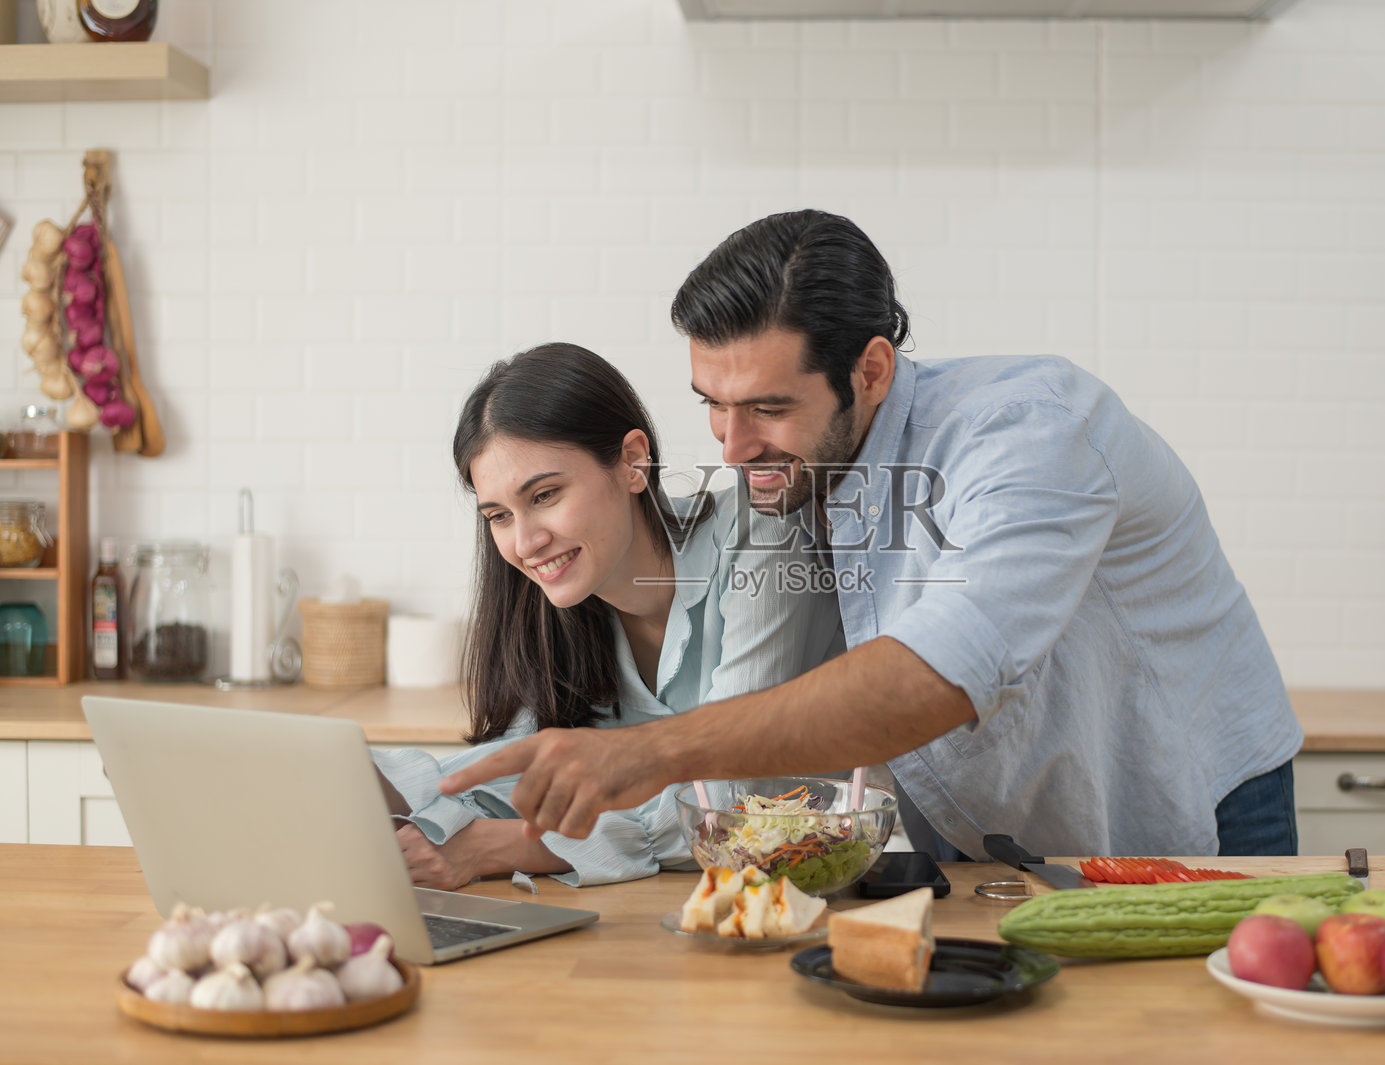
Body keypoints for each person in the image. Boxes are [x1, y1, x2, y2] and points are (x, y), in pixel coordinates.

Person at [443, 210, 1304, 861]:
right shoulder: (805, 470)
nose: (731, 448)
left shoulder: (1031, 434)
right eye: (713, 403)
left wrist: (650, 751)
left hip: (1191, 809)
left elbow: (936, 674)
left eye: (769, 408)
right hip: (989, 845)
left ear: (872, 370)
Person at [373, 341, 840, 888]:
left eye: (545, 495)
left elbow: (728, 797)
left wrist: (498, 848)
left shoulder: (761, 532)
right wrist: (385, 788)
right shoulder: (561, 609)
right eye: (499, 515)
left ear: (633, 462)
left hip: (811, 890)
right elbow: (525, 773)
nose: (526, 543)